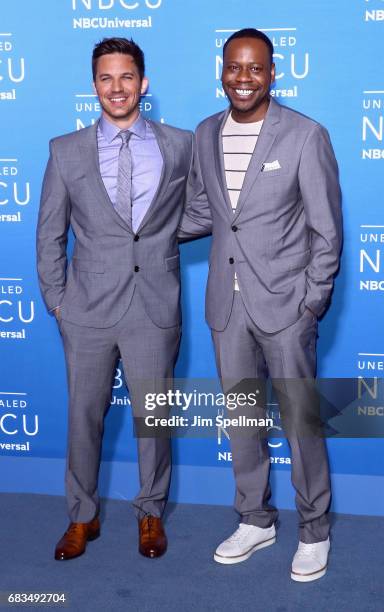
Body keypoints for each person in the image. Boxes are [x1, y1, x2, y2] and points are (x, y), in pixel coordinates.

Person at [179, 28, 342, 582]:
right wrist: (136, 232)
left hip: (285, 305)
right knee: (243, 418)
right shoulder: (205, 134)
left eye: (255, 68)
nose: (243, 78)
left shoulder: (304, 135)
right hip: (228, 305)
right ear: (221, 71)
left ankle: (314, 529)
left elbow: (327, 230)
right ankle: (256, 519)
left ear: (273, 73)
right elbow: (205, 211)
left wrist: (310, 302)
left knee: (300, 420)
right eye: (233, 67)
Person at [37, 37, 203, 561]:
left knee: (153, 419)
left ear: (143, 84)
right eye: (106, 78)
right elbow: (49, 235)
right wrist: (58, 302)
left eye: (126, 77)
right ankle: (82, 517)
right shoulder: (65, 150)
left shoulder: (180, 144)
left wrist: (156, 240)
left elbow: (202, 208)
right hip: (85, 310)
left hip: (154, 304)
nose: (117, 88)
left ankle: (150, 512)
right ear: (94, 87)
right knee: (84, 417)